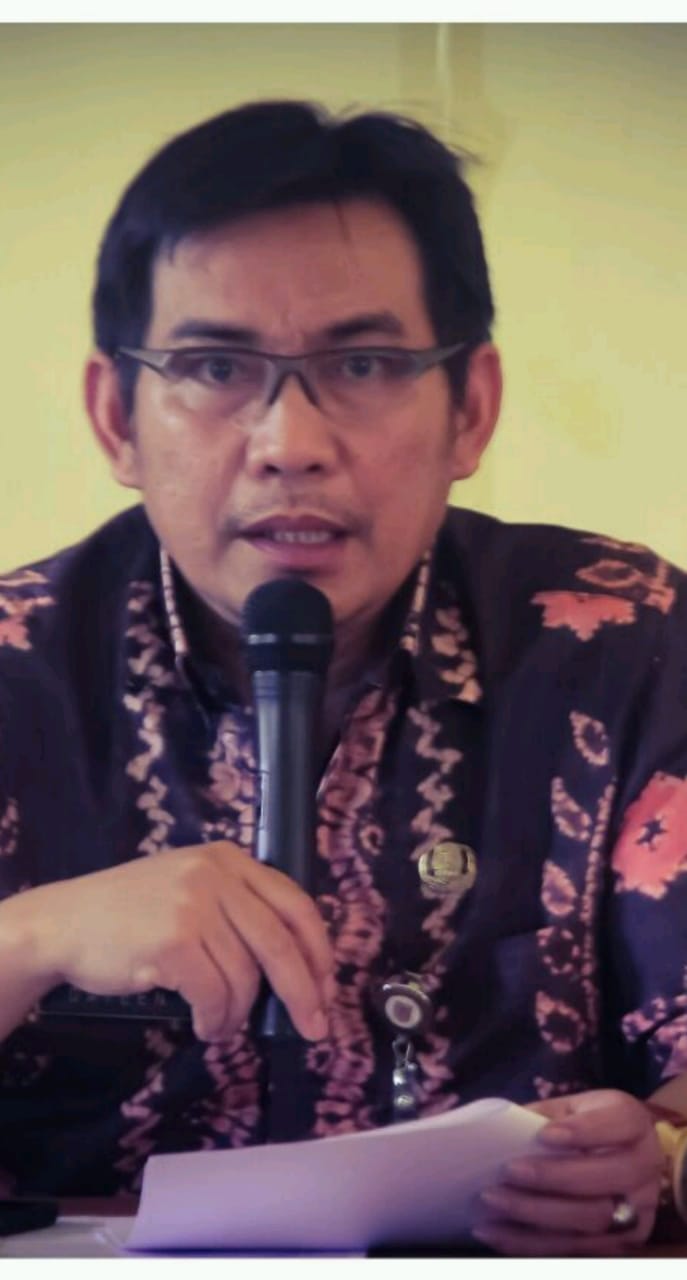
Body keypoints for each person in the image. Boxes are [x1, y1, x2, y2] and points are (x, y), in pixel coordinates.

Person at [0, 98, 685, 1256]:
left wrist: (657, 1155)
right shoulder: (15, 667)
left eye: (363, 364)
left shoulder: (622, 641)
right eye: (214, 366)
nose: (290, 443)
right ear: (117, 418)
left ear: (470, 408)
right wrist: (31, 938)